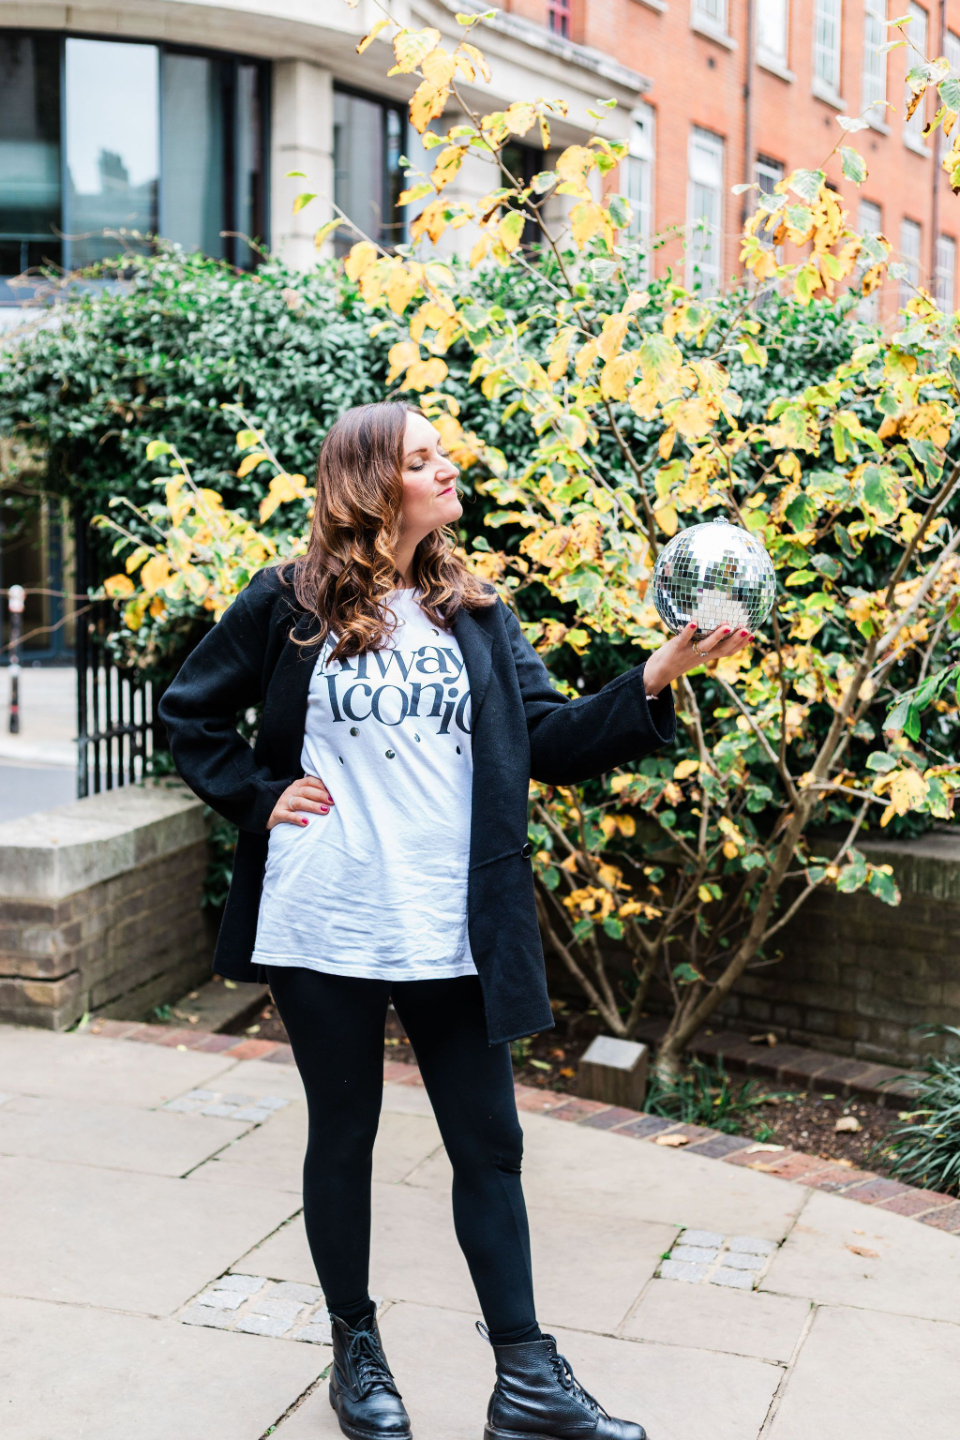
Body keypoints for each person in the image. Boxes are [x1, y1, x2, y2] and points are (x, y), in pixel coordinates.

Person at [158, 401, 756, 1440]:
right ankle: (356, 1353)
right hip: (327, 917)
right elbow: (189, 711)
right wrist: (260, 797)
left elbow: (550, 740)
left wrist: (659, 674)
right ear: (370, 483)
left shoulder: (475, 612)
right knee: (343, 1134)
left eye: (443, 455)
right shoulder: (288, 603)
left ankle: (527, 1381)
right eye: (422, 459)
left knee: (491, 1145)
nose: (447, 469)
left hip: (452, 922)